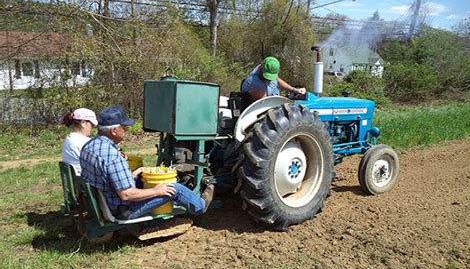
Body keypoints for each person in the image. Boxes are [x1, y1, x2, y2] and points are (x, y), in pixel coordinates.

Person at [79, 106, 214, 220]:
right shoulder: (112, 156)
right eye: (124, 127)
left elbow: (106, 177)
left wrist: (134, 174)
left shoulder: (89, 145)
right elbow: (126, 195)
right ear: (114, 131)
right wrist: (156, 190)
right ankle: (200, 206)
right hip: (122, 209)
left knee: (145, 178)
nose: (126, 130)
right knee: (173, 189)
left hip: (105, 200)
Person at [241, 56, 307, 102]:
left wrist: (295, 90)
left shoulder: (265, 68)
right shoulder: (253, 83)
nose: (269, 79)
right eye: (267, 76)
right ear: (261, 68)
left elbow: (277, 80)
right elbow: (267, 103)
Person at [62, 108, 98, 175]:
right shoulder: (85, 143)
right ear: (83, 123)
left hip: (76, 182)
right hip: (85, 182)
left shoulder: (69, 139)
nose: (93, 127)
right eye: (92, 124)